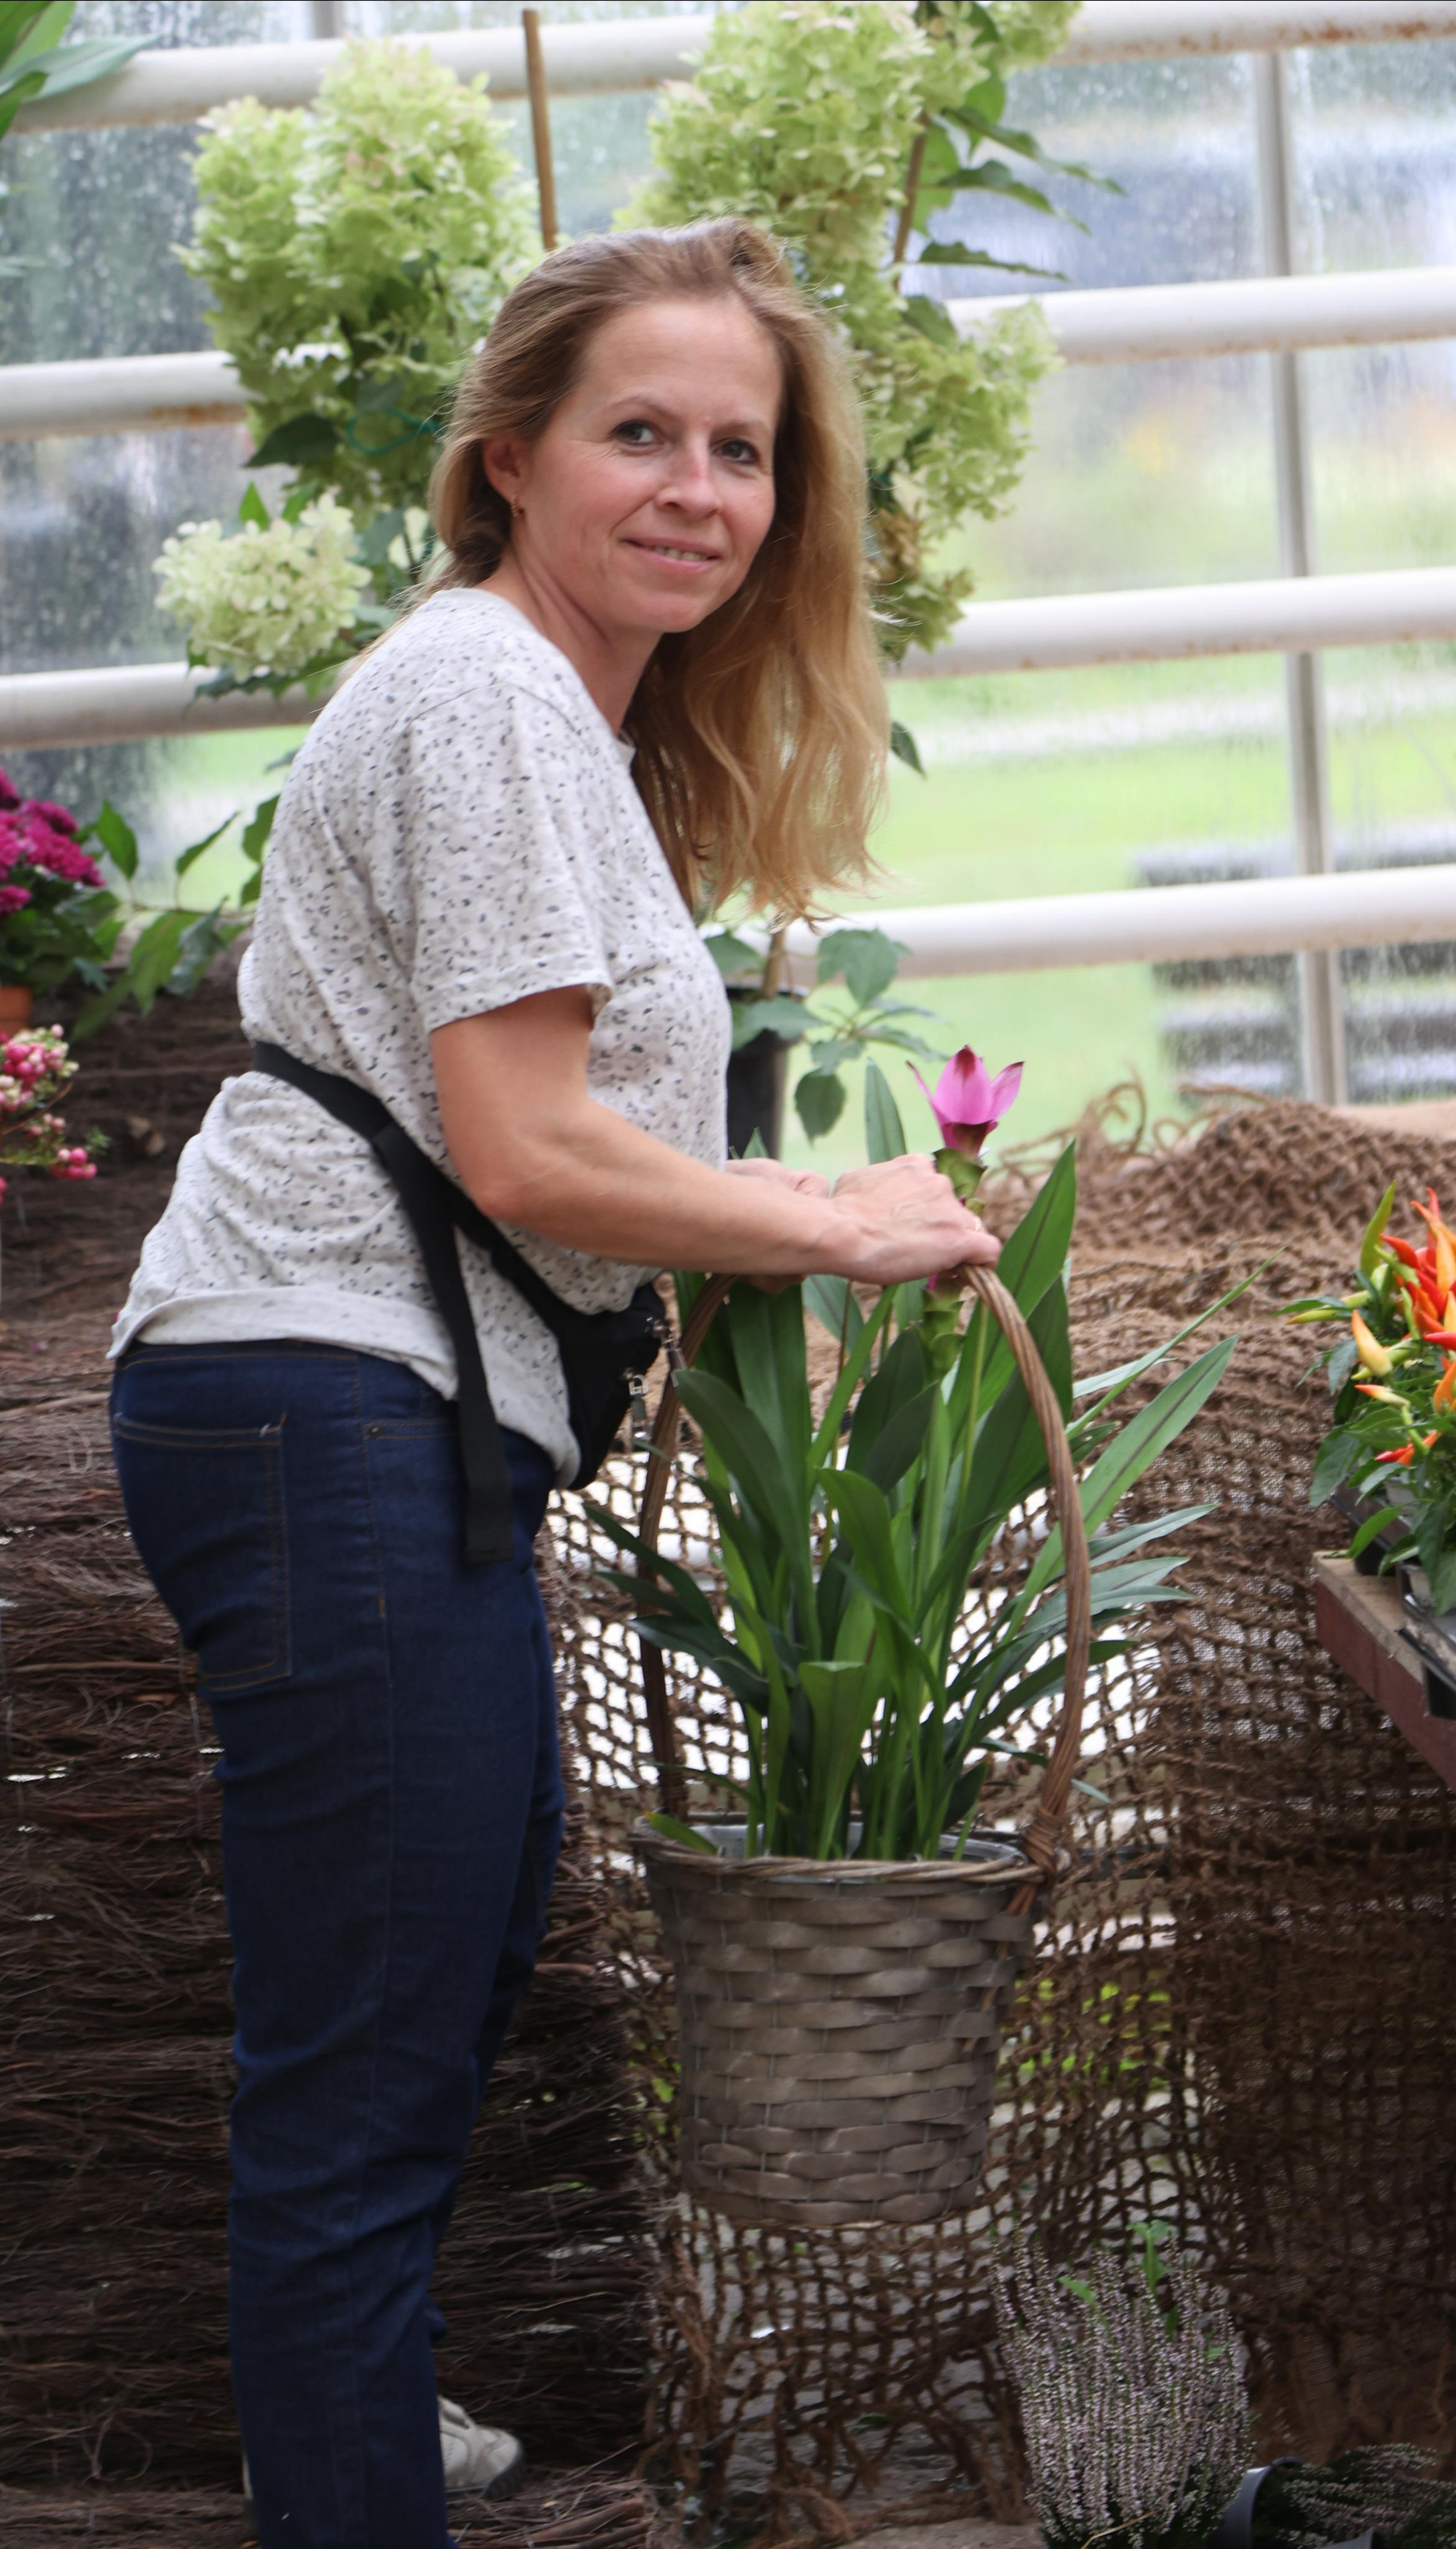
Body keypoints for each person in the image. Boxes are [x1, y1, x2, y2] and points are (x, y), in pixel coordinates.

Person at [108, 219, 997, 2549]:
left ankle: (355, 2433)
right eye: (642, 433)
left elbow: (541, 1148)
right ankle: (344, 2493)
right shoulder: (494, 696)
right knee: (368, 2046)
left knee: (436, 1971)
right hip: (327, 1402)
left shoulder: (560, 713)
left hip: (379, 1405)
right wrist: (838, 1221)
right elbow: (523, 1141)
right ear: (506, 458)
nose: (702, 487)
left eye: (744, 449)